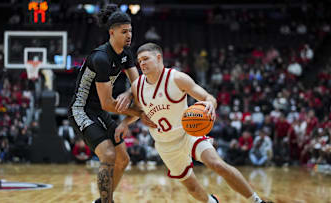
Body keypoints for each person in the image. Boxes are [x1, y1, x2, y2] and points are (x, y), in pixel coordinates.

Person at [115, 43, 271, 203]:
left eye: (146, 59)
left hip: (188, 133)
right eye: (139, 61)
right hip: (165, 145)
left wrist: (210, 103)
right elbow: (141, 113)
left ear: (159, 58)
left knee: (217, 164)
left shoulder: (177, 78)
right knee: (192, 188)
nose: (142, 64)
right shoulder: (137, 86)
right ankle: (212, 202)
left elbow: (208, 97)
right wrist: (125, 123)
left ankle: (256, 200)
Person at [67, 5, 156, 203]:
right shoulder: (101, 58)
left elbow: (139, 86)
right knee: (108, 155)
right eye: (124, 31)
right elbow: (108, 103)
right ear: (112, 32)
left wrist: (127, 93)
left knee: (123, 159)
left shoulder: (126, 53)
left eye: (130, 31)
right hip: (81, 110)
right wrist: (140, 115)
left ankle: (102, 201)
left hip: (98, 110)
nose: (129, 35)